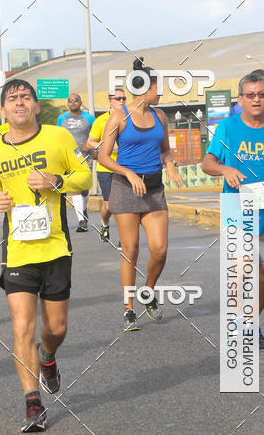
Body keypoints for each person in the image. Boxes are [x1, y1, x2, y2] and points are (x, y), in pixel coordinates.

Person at [0, 79, 93, 432]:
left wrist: (56, 181)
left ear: (36, 106)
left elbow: (85, 176)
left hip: (56, 246)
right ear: (3, 110)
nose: (19, 103)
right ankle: (32, 402)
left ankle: (48, 357)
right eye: (12, 99)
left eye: (25, 98)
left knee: (56, 328)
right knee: (21, 326)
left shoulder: (57, 138)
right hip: (18, 250)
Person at [203, 72, 264, 349]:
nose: (256, 99)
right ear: (240, 99)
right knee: (240, 272)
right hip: (238, 208)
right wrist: (225, 168)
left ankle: (250, 320)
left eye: (261, 94)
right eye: (250, 95)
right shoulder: (228, 127)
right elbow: (207, 163)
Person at [99, 58, 184, 331]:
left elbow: (165, 150)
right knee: (130, 250)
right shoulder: (118, 117)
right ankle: (128, 308)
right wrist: (128, 173)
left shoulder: (159, 116)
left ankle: (147, 291)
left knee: (160, 250)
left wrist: (170, 165)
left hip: (154, 190)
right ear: (145, 87)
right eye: (158, 86)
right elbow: (103, 156)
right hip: (126, 189)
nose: (161, 92)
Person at [83, 87, 127, 244]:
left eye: (124, 98)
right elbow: (90, 142)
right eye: (118, 98)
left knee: (123, 204)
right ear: (110, 101)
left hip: (124, 167)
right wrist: (107, 147)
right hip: (106, 168)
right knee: (109, 205)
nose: (121, 101)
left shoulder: (129, 117)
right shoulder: (101, 121)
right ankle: (105, 224)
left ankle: (124, 238)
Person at [57, 93, 95, 232]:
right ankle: (81, 221)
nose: (73, 102)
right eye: (70, 100)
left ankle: (83, 210)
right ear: (68, 103)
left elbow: (96, 135)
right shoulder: (62, 118)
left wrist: (90, 146)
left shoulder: (89, 118)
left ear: (80, 102)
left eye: (76, 100)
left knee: (85, 188)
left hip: (86, 156)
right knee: (76, 188)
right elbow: (58, 136)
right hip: (68, 157)